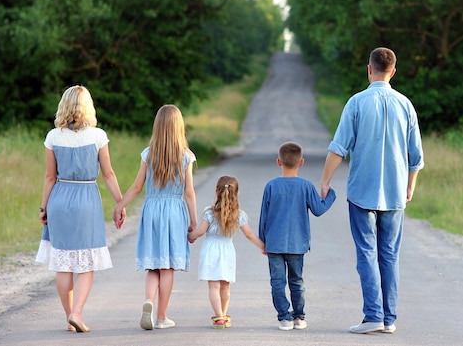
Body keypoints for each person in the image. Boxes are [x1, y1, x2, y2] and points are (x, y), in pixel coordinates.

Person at [320, 47, 424, 335]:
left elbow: (338, 148)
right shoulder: (406, 105)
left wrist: (325, 181)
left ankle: (373, 315)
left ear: (369, 69)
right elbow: (415, 156)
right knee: (389, 255)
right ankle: (389, 320)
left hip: (362, 192)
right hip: (394, 194)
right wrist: (410, 186)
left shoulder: (356, 103)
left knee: (367, 252)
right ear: (393, 71)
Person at [35, 85, 123, 333]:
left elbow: (50, 177)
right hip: (86, 199)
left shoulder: (54, 136)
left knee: (63, 263)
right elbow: (108, 174)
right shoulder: (97, 136)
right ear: (88, 107)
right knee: (86, 263)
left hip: (59, 199)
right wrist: (120, 202)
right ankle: (77, 312)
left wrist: (44, 208)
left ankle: (69, 318)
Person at [113, 104, 198, 331]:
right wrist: (194, 222)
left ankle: (148, 300)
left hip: (152, 210)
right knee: (167, 267)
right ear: (179, 127)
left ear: (157, 126)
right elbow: (189, 192)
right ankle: (161, 316)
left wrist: (119, 206)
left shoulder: (148, 153)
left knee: (153, 264)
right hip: (174, 213)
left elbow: (137, 187)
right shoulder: (186, 156)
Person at [258, 142, 336, 331]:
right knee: (296, 280)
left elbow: (264, 217)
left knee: (277, 282)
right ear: (301, 162)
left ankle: (284, 318)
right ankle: (299, 316)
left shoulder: (271, 186)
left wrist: (263, 242)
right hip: (297, 243)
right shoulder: (306, 186)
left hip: (274, 243)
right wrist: (330, 195)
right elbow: (318, 210)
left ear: (278, 162)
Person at [187, 175, 265, 329]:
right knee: (225, 286)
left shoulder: (209, 212)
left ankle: (219, 317)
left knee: (214, 286)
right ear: (237, 193)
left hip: (210, 250)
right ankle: (223, 314)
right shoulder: (239, 215)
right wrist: (263, 247)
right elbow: (249, 235)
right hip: (227, 251)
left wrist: (190, 236)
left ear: (217, 191)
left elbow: (201, 231)